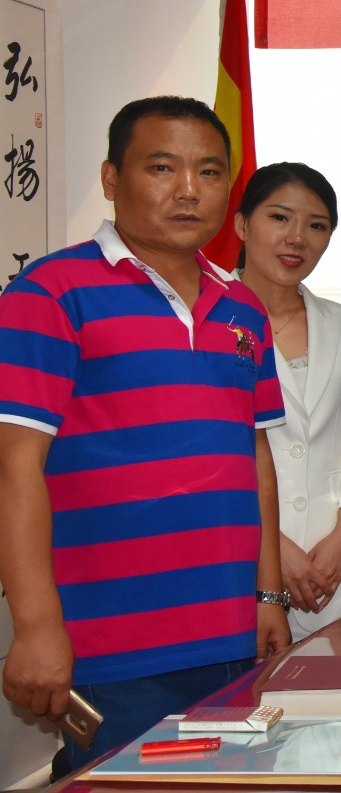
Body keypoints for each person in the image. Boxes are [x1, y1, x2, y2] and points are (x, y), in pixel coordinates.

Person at [0, 96, 290, 775]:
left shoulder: (244, 307)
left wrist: (268, 596)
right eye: (162, 167)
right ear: (111, 178)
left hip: (230, 638)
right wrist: (36, 627)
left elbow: (254, 457)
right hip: (111, 646)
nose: (189, 190)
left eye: (209, 172)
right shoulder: (50, 294)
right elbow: (15, 467)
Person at [233, 162, 341, 638]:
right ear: (242, 224)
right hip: (245, 559)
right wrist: (276, 549)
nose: (297, 238)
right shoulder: (208, 319)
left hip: (336, 567)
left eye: (316, 225)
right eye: (279, 218)